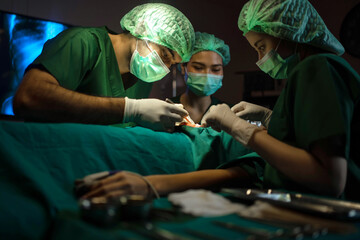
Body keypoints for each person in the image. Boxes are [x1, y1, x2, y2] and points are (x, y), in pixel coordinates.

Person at [79, 0, 360, 202]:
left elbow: (328, 178)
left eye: (261, 46)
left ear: (289, 31)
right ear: (185, 71)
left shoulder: (317, 68)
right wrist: (271, 119)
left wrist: (242, 129)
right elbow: (318, 140)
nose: (260, 58)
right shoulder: (322, 70)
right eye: (198, 67)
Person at [12, 3, 195, 132]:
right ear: (143, 28)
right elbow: (28, 97)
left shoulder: (140, 75)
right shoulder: (82, 43)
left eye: (173, 64)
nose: (166, 68)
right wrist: (131, 109)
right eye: (165, 55)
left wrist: (155, 122)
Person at [169, 32, 231, 124]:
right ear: (183, 67)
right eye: (198, 67)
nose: (207, 75)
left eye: (216, 69)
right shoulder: (168, 109)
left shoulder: (230, 114)